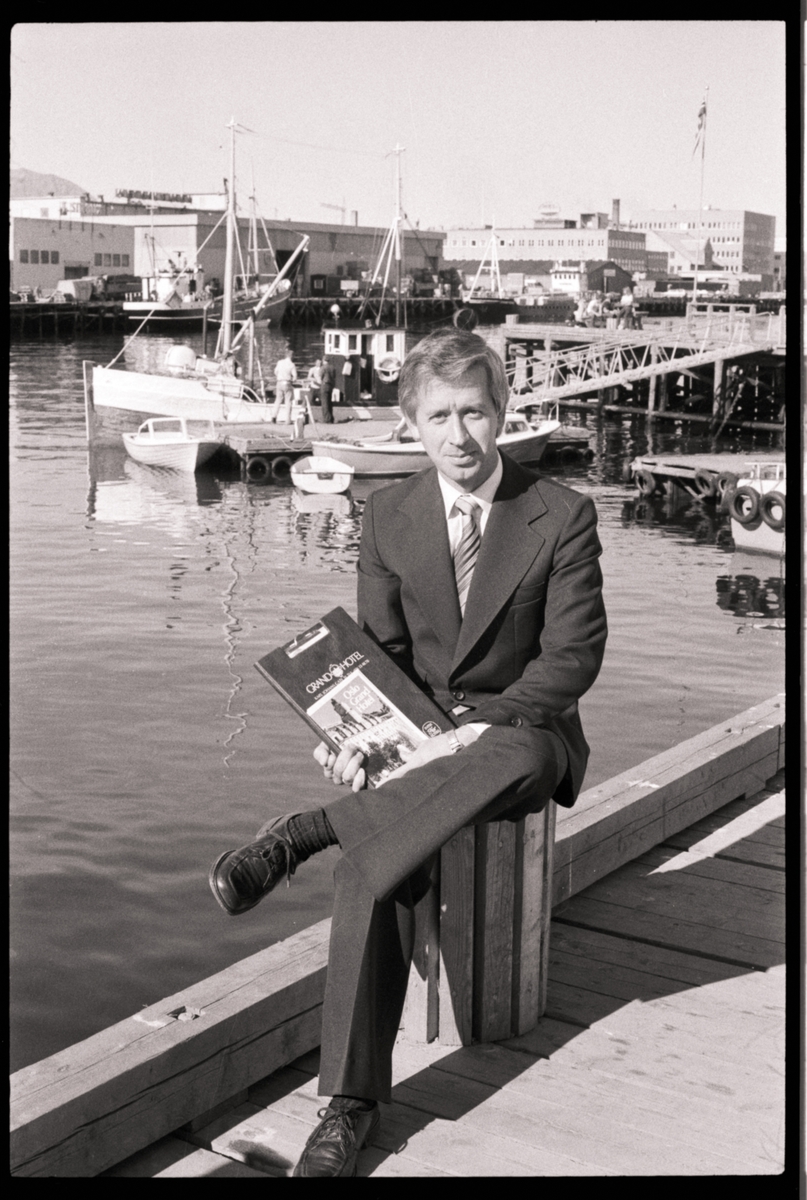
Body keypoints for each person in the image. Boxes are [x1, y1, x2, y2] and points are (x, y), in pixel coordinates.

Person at [208, 327, 607, 1177]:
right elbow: (377, 657)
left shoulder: (561, 514)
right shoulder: (388, 514)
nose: (458, 435)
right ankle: (347, 1105)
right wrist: (359, 740)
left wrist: (475, 730)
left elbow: (571, 658)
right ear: (411, 425)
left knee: (515, 759)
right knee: (376, 860)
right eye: (438, 416)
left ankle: (310, 831)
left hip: (521, 731)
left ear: (499, 412)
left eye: (473, 412)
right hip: (418, 737)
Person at [271, 350, 297, 422]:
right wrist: (292, 379)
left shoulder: (280, 362)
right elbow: (295, 377)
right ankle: (288, 420)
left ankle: (273, 417)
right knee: (288, 401)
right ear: (292, 356)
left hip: (279, 383)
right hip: (287, 383)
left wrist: (279, 376)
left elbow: (275, 372)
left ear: (286, 355)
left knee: (278, 400)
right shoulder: (292, 365)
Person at [319, 355, 335, 424]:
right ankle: (331, 418)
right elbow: (334, 377)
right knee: (329, 402)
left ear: (323, 360)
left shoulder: (323, 368)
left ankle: (326, 419)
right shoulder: (333, 368)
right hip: (330, 386)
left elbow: (320, 377)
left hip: (324, 385)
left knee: (324, 402)